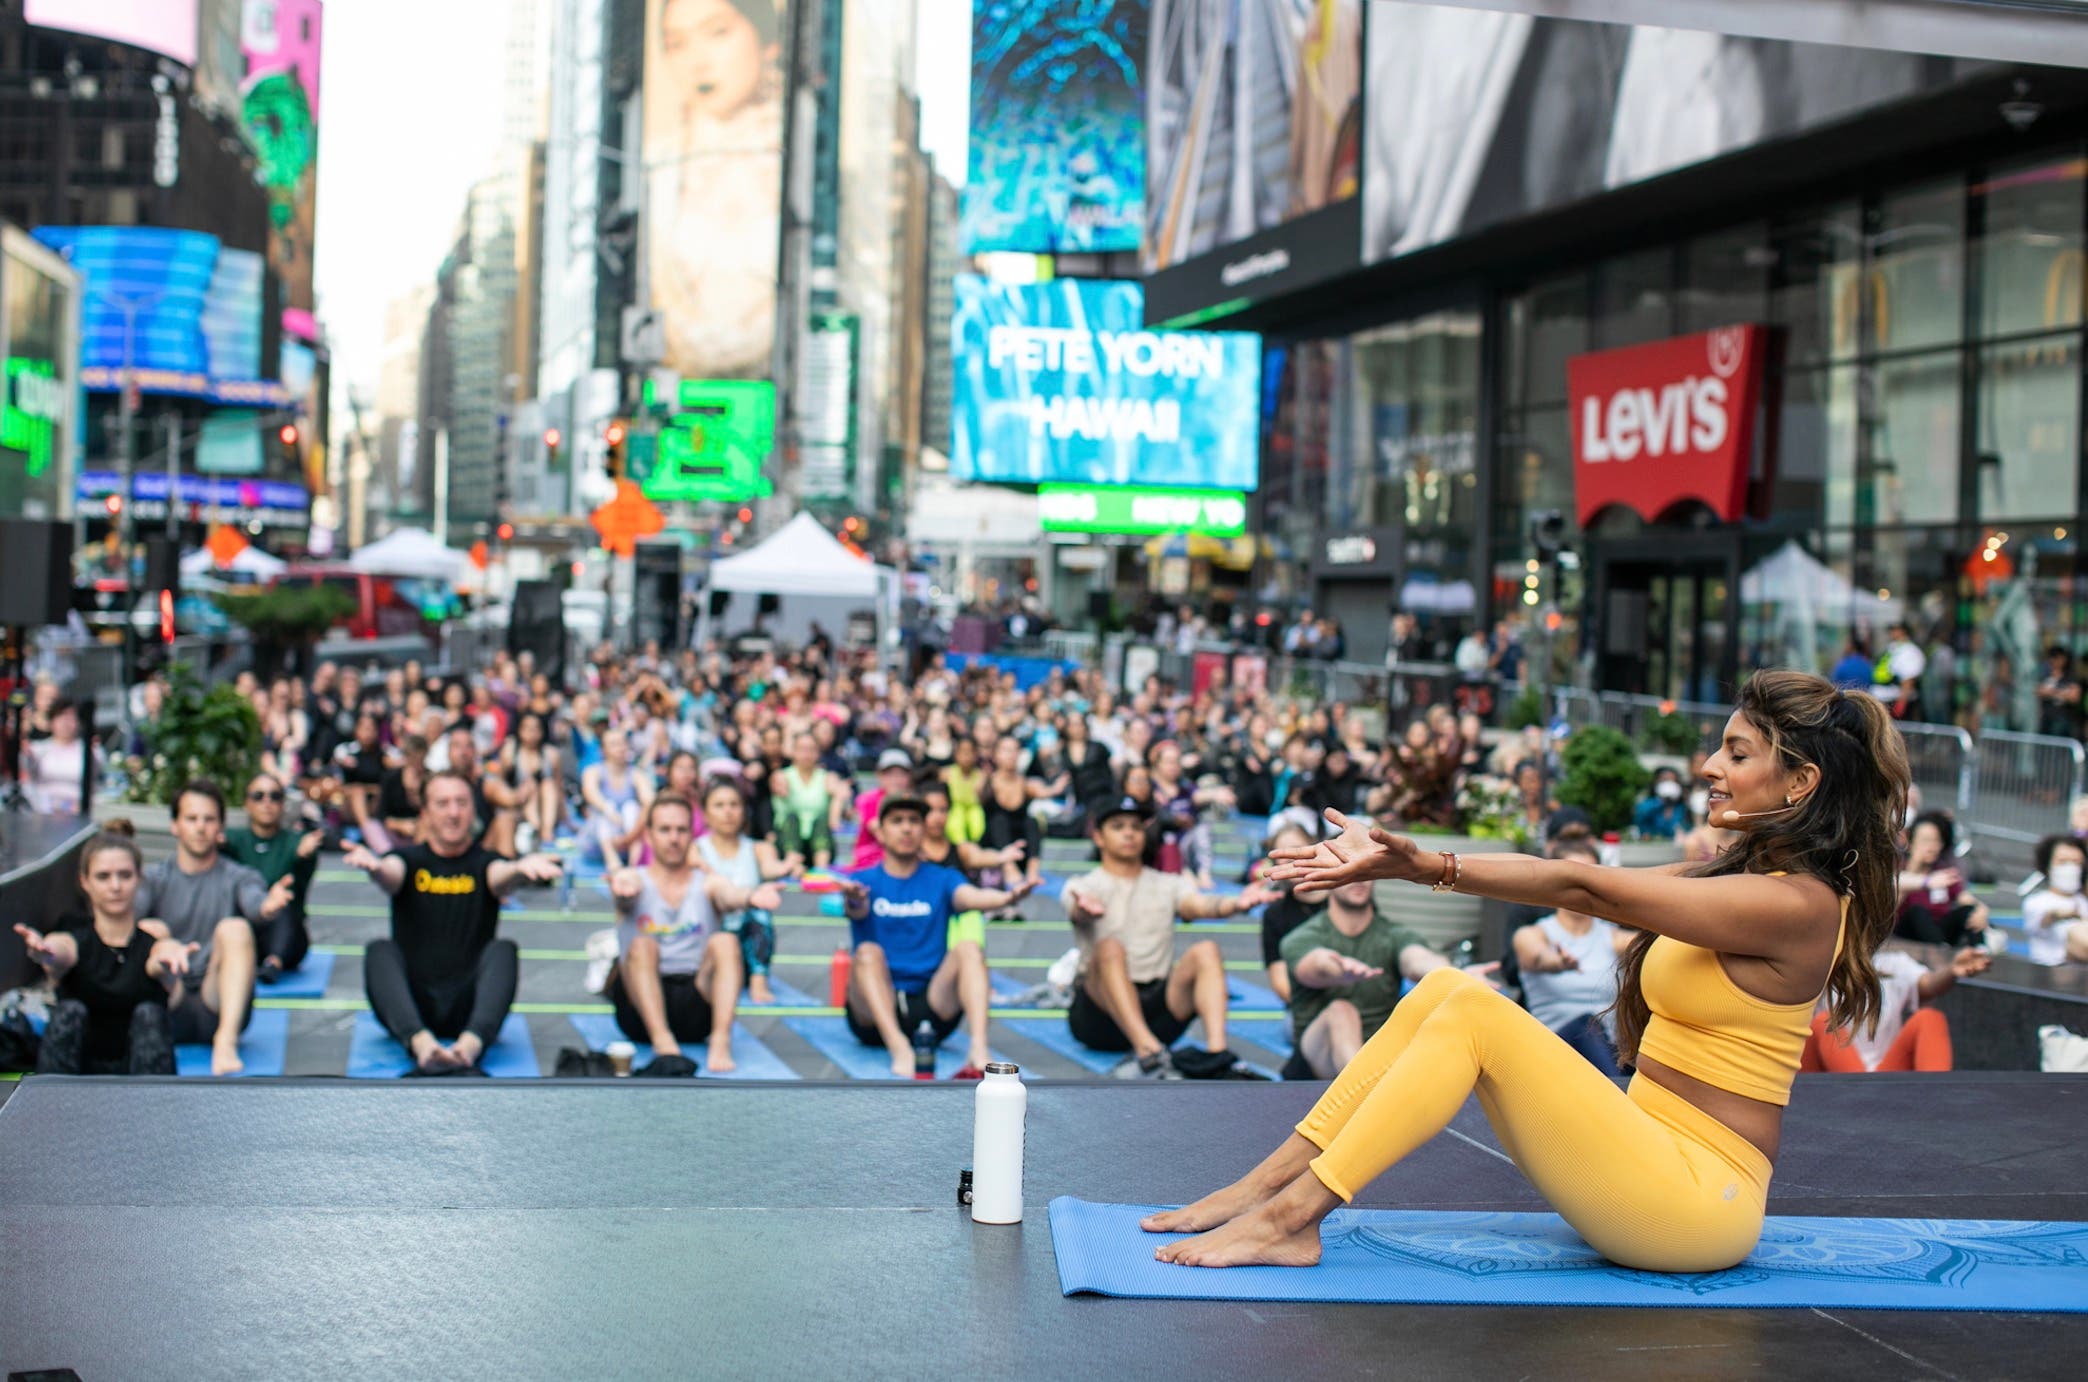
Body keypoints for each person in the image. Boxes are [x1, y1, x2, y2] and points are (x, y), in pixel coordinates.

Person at [1145, 671, 1906, 1275]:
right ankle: (1265, 1189)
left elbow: (1583, 886)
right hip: (1646, 1153)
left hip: (1700, 1203)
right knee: (1447, 988)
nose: (1709, 765)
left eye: (1738, 754)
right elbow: (1573, 879)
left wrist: (1426, 866)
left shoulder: (1798, 907)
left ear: (1800, 783)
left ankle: (1291, 1219)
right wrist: (1418, 862)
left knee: (1474, 1014)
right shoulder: (1734, 878)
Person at [341, 773, 564, 1073]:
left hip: (468, 1007)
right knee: (379, 950)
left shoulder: (485, 862)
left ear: (473, 811)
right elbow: (391, 874)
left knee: (504, 950)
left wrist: (519, 871)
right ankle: (423, 1046)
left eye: (461, 803)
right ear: (426, 813)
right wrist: (376, 869)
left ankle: (468, 1048)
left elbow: (500, 875)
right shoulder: (408, 860)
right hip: (413, 1005)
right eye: (443, 804)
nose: (453, 813)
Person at [1061, 797, 1277, 1078]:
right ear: (1099, 837)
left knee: (1206, 950)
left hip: (1157, 1009)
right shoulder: (1083, 886)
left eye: (1136, 827)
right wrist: (1084, 909)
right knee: (1109, 947)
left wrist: (1235, 904)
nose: (1129, 833)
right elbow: (1077, 910)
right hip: (1099, 1017)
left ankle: (1217, 1055)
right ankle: (1148, 1052)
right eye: (1118, 827)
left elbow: (1198, 906)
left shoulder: (1167, 883)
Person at [835, 793, 1033, 1079]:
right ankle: (898, 1046)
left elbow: (973, 896)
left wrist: (1007, 899)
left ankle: (979, 1048)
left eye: (914, 821)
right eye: (897, 821)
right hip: (873, 1013)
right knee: (867, 953)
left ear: (924, 829)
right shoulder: (863, 881)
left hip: (931, 1006)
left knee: (968, 948)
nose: (906, 828)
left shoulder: (943, 878)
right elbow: (856, 907)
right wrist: (853, 902)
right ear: (880, 830)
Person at [607, 793, 782, 1074]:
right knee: (641, 946)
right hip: (640, 1009)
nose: (674, 838)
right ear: (649, 835)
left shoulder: (708, 882)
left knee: (725, 941)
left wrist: (749, 896)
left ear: (692, 835)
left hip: (697, 1003)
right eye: (665, 830)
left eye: (681, 830)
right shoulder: (634, 879)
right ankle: (662, 1040)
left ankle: (721, 1039)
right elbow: (624, 890)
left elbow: (729, 894)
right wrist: (622, 891)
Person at [136, 780, 295, 1076]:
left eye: (209, 819)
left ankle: (226, 1041)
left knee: (235, 928)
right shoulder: (153, 878)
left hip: (219, 1003)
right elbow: (128, 916)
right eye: (191, 819)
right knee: (151, 928)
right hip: (170, 998)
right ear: (175, 825)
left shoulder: (239, 876)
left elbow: (255, 903)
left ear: (220, 828)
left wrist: (267, 906)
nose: (200, 827)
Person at [1281, 877, 1491, 1081]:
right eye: (1348, 874)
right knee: (1341, 1010)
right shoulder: (1304, 936)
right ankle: (1364, 1091)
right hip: (1316, 1058)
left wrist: (1452, 974)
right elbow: (1313, 966)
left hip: (1380, 1054)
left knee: (1437, 1005)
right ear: (1329, 880)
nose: (1359, 880)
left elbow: (1416, 959)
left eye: (1365, 873)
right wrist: (1338, 970)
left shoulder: (1393, 934)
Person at [13, 826, 186, 1075]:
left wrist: (171, 956)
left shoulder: (153, 940)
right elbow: (62, 949)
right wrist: (46, 952)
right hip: (77, 1075)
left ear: (139, 877)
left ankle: (155, 1107)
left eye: (124, 875)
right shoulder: (75, 939)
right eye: (103, 876)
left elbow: (160, 953)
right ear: (85, 881)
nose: (115, 886)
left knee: (150, 1015)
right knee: (69, 1012)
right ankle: (51, 1106)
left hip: (141, 1079)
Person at [1512, 830, 1635, 1076]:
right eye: (1571, 878)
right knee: (1586, 1025)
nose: (1580, 887)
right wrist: (1558, 962)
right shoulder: (1534, 935)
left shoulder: (1616, 939)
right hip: (1550, 1057)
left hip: (1604, 1055)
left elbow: (1658, 944)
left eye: (1589, 877)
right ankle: (1619, 1098)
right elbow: (1537, 957)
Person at [1802, 944, 1988, 1072]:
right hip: (1830, 1086)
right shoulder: (1817, 960)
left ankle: (1937, 1100)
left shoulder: (1892, 963)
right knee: (1823, 1023)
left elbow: (1929, 984)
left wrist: (1952, 970)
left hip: (1885, 1078)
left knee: (1929, 1018)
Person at [694, 776, 796, 1003]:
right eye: (719, 806)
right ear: (706, 814)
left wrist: (785, 866)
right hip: (711, 939)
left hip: (747, 940)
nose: (728, 812)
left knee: (759, 912)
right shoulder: (696, 850)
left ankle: (758, 980)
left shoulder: (759, 848)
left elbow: (770, 868)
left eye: (734, 805)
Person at [222, 772, 323, 983]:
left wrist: (305, 856)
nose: (267, 802)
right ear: (246, 804)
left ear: (283, 804)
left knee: (281, 908)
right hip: (245, 931)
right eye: (258, 796)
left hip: (289, 935)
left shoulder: (298, 843)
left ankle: (273, 964)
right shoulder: (232, 840)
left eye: (274, 796)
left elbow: (305, 871)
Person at [1893, 813, 1988, 947]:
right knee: (1918, 911)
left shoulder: (1942, 873)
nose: (1932, 847)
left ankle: (1979, 952)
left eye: (1936, 841)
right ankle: (1941, 949)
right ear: (1911, 842)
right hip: (1905, 935)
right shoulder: (1899, 870)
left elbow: (1967, 899)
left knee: (1968, 911)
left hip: (1938, 930)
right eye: (1926, 841)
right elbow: (1891, 908)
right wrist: (1917, 865)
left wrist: (1981, 911)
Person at [580, 727, 655, 869]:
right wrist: (611, 812)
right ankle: (613, 864)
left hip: (629, 838)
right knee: (605, 812)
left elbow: (649, 802)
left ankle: (635, 864)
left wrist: (630, 837)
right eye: (614, 744)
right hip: (598, 842)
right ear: (603, 750)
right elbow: (591, 794)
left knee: (631, 808)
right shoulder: (593, 772)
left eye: (622, 743)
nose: (620, 748)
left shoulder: (637, 774)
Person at [773, 730, 843, 869]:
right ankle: (794, 867)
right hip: (789, 841)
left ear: (818, 753)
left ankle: (820, 871)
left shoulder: (827, 778)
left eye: (811, 749)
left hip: (820, 843)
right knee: (791, 819)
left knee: (821, 821)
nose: (806, 754)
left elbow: (834, 821)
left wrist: (838, 797)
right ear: (793, 751)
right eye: (802, 749)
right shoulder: (782, 776)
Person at [2022, 833, 2088, 965]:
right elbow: (2043, 920)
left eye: (2076, 862)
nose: (2071, 868)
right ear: (2048, 865)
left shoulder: (2083, 901)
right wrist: (2058, 915)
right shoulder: (2036, 902)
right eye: (2063, 862)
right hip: (2051, 972)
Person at [847, 749, 917, 871]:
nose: (896, 779)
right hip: (869, 864)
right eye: (890, 774)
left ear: (909, 776)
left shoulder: (913, 801)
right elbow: (882, 835)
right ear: (879, 775)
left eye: (901, 774)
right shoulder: (868, 800)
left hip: (903, 863)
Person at [20, 695, 91, 814]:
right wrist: (22, 734)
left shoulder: (89, 750)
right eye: (61, 717)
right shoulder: (38, 748)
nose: (65, 723)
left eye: (71, 717)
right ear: (51, 721)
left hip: (79, 811)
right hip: (43, 812)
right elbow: (25, 768)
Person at [2036, 645, 2083, 742]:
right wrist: (2062, 693)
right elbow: (2039, 691)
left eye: (2056, 658)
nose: (2053, 661)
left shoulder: (2071, 677)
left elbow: (2074, 697)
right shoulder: (2045, 675)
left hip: (2062, 719)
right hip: (2046, 718)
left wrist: (2051, 692)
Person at [1633, 765, 1691, 840]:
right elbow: (1639, 817)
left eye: (1673, 780)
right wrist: (1661, 801)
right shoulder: (1648, 803)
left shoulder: (1682, 807)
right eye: (1665, 780)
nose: (1669, 784)